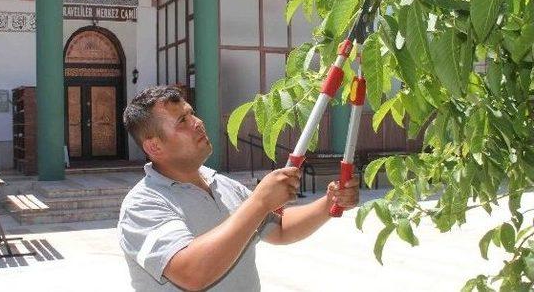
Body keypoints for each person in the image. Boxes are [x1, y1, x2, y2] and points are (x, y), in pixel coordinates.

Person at [118, 86, 359, 291]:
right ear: (154, 147)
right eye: (183, 121)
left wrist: (328, 204)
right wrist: (259, 202)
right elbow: (192, 273)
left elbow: (280, 227)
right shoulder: (143, 203)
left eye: (192, 114)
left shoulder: (221, 184)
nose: (198, 123)